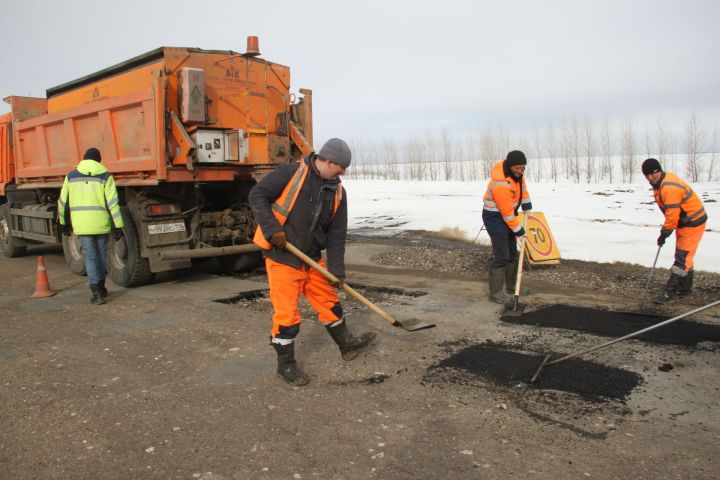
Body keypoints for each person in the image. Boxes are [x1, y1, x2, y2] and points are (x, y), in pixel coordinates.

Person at [249, 138, 375, 386]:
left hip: (312, 259)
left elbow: (337, 235)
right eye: (341, 166)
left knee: (329, 301)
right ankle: (286, 366)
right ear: (327, 161)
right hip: (283, 258)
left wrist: (337, 272)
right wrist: (273, 228)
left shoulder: (337, 191)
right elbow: (257, 195)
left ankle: (346, 345)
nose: (344, 172)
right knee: (287, 314)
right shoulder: (292, 173)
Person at [58, 148, 124, 305]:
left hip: (82, 225)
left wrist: (63, 222)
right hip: (101, 223)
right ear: (98, 161)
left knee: (90, 257)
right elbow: (113, 204)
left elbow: (62, 202)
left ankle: (96, 292)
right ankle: (101, 288)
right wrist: (118, 226)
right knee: (101, 256)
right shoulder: (105, 176)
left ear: (84, 159)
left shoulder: (71, 176)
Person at [641, 158, 707, 303]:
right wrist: (667, 231)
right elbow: (672, 215)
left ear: (659, 171)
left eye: (652, 174)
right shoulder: (661, 182)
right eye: (646, 175)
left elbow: (672, 215)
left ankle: (669, 292)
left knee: (682, 258)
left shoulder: (668, 188)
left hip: (692, 223)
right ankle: (685, 290)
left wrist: (664, 233)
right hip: (685, 222)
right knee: (686, 256)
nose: (649, 178)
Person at [481, 150, 532, 304]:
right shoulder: (501, 184)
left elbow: (522, 188)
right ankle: (495, 293)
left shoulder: (517, 174)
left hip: (507, 215)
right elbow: (507, 213)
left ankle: (512, 287)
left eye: (523, 167)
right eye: (517, 168)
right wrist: (519, 230)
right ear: (510, 166)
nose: (520, 171)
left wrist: (526, 202)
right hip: (495, 217)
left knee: (512, 254)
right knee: (502, 255)